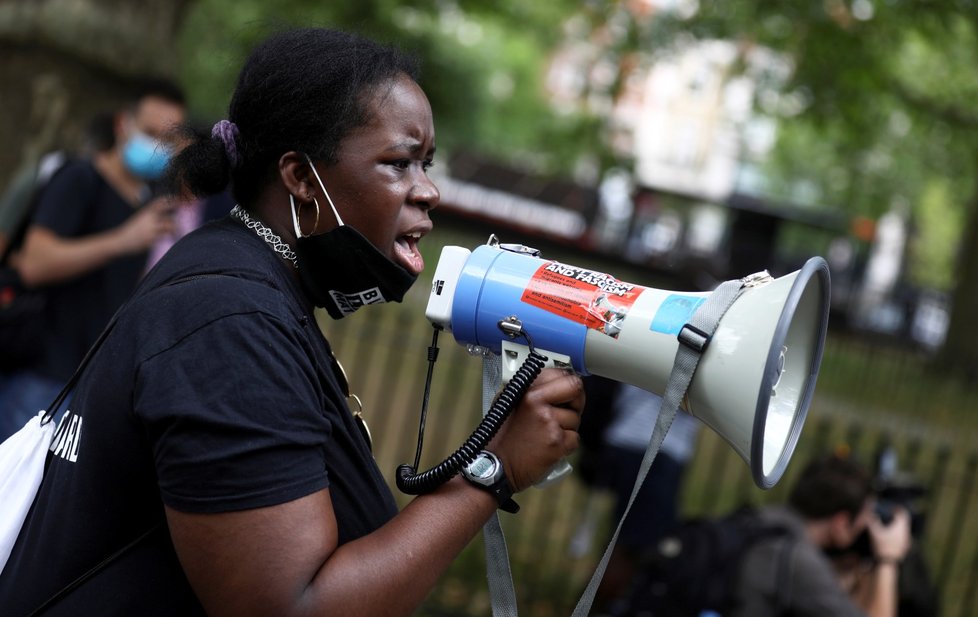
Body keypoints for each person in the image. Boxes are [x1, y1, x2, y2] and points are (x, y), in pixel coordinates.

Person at [0, 27, 583, 616]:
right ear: (302, 179)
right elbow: (292, 606)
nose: (427, 190)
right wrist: (495, 467)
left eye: (425, 164)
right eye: (399, 163)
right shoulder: (228, 322)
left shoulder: (240, 276)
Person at [0, 82, 184, 440]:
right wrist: (122, 240)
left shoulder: (148, 202)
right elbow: (34, 264)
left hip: (84, 382)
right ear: (122, 125)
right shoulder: (79, 178)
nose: (158, 147)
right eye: (149, 133)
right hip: (38, 372)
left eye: (169, 140)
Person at [729, 452, 913, 617]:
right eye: (863, 521)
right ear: (840, 524)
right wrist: (888, 559)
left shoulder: (757, 520)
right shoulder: (801, 562)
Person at [580, 378, 702, 612]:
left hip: (631, 440)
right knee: (635, 550)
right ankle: (593, 609)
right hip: (655, 449)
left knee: (628, 540)